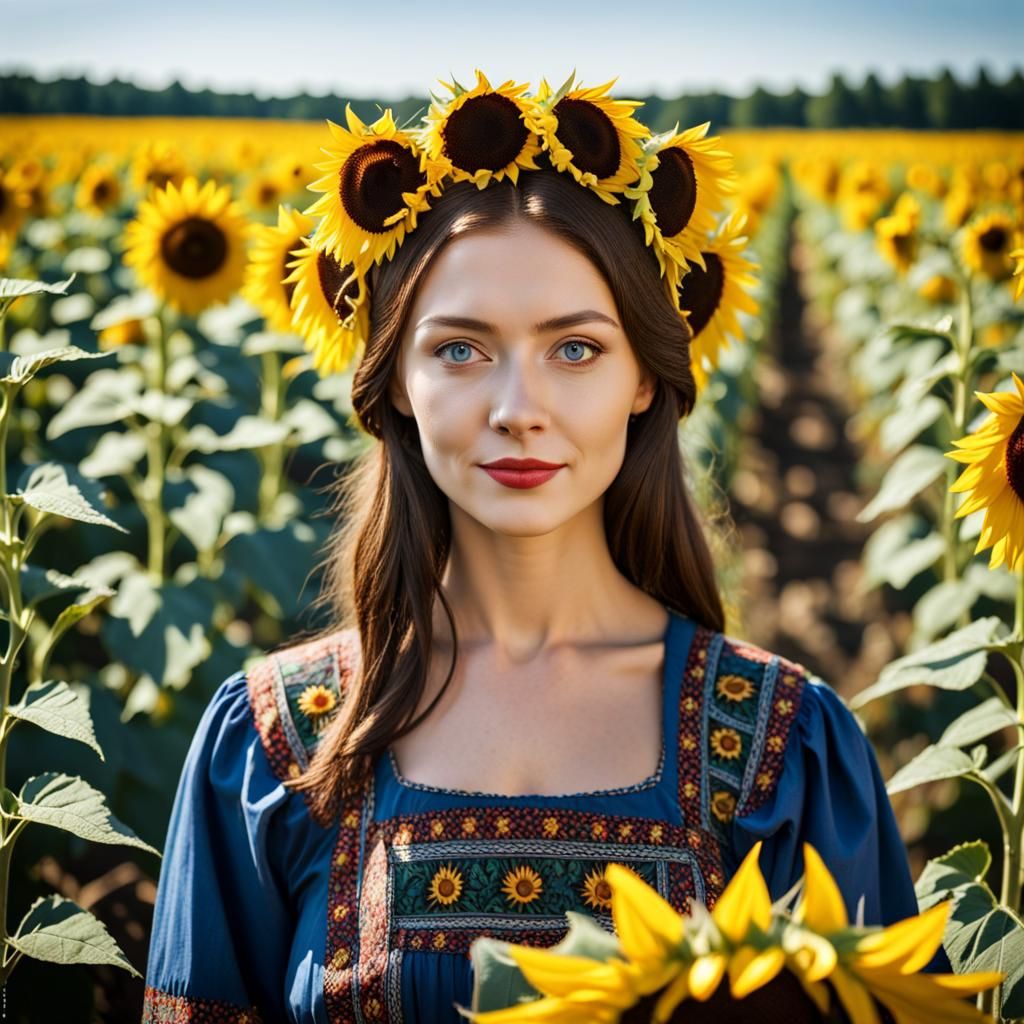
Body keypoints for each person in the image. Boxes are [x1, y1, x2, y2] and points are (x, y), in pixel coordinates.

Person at [142, 72, 937, 1023]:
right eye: (461, 350)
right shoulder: (275, 749)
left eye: (576, 349)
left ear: (647, 375)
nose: (519, 411)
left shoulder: (786, 748)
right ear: (395, 378)